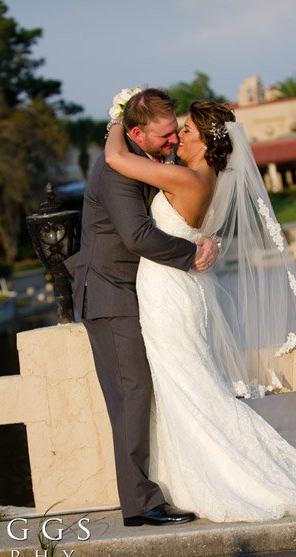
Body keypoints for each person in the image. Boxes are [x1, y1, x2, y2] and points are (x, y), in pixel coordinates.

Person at [104, 97, 296, 522]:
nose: (177, 139)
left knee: (191, 391)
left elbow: (115, 157)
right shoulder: (203, 178)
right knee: (188, 388)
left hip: (170, 296)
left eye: (185, 132)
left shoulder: (183, 178)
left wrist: (116, 117)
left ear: (207, 141)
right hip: (176, 291)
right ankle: (187, 481)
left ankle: (232, 480)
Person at [66, 89, 220, 527]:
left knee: (144, 391)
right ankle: (139, 504)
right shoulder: (116, 172)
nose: (173, 141)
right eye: (166, 135)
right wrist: (190, 255)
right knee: (132, 395)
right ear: (137, 132)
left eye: (177, 132)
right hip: (110, 294)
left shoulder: (138, 156)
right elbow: (135, 235)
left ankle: (163, 487)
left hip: (136, 292)